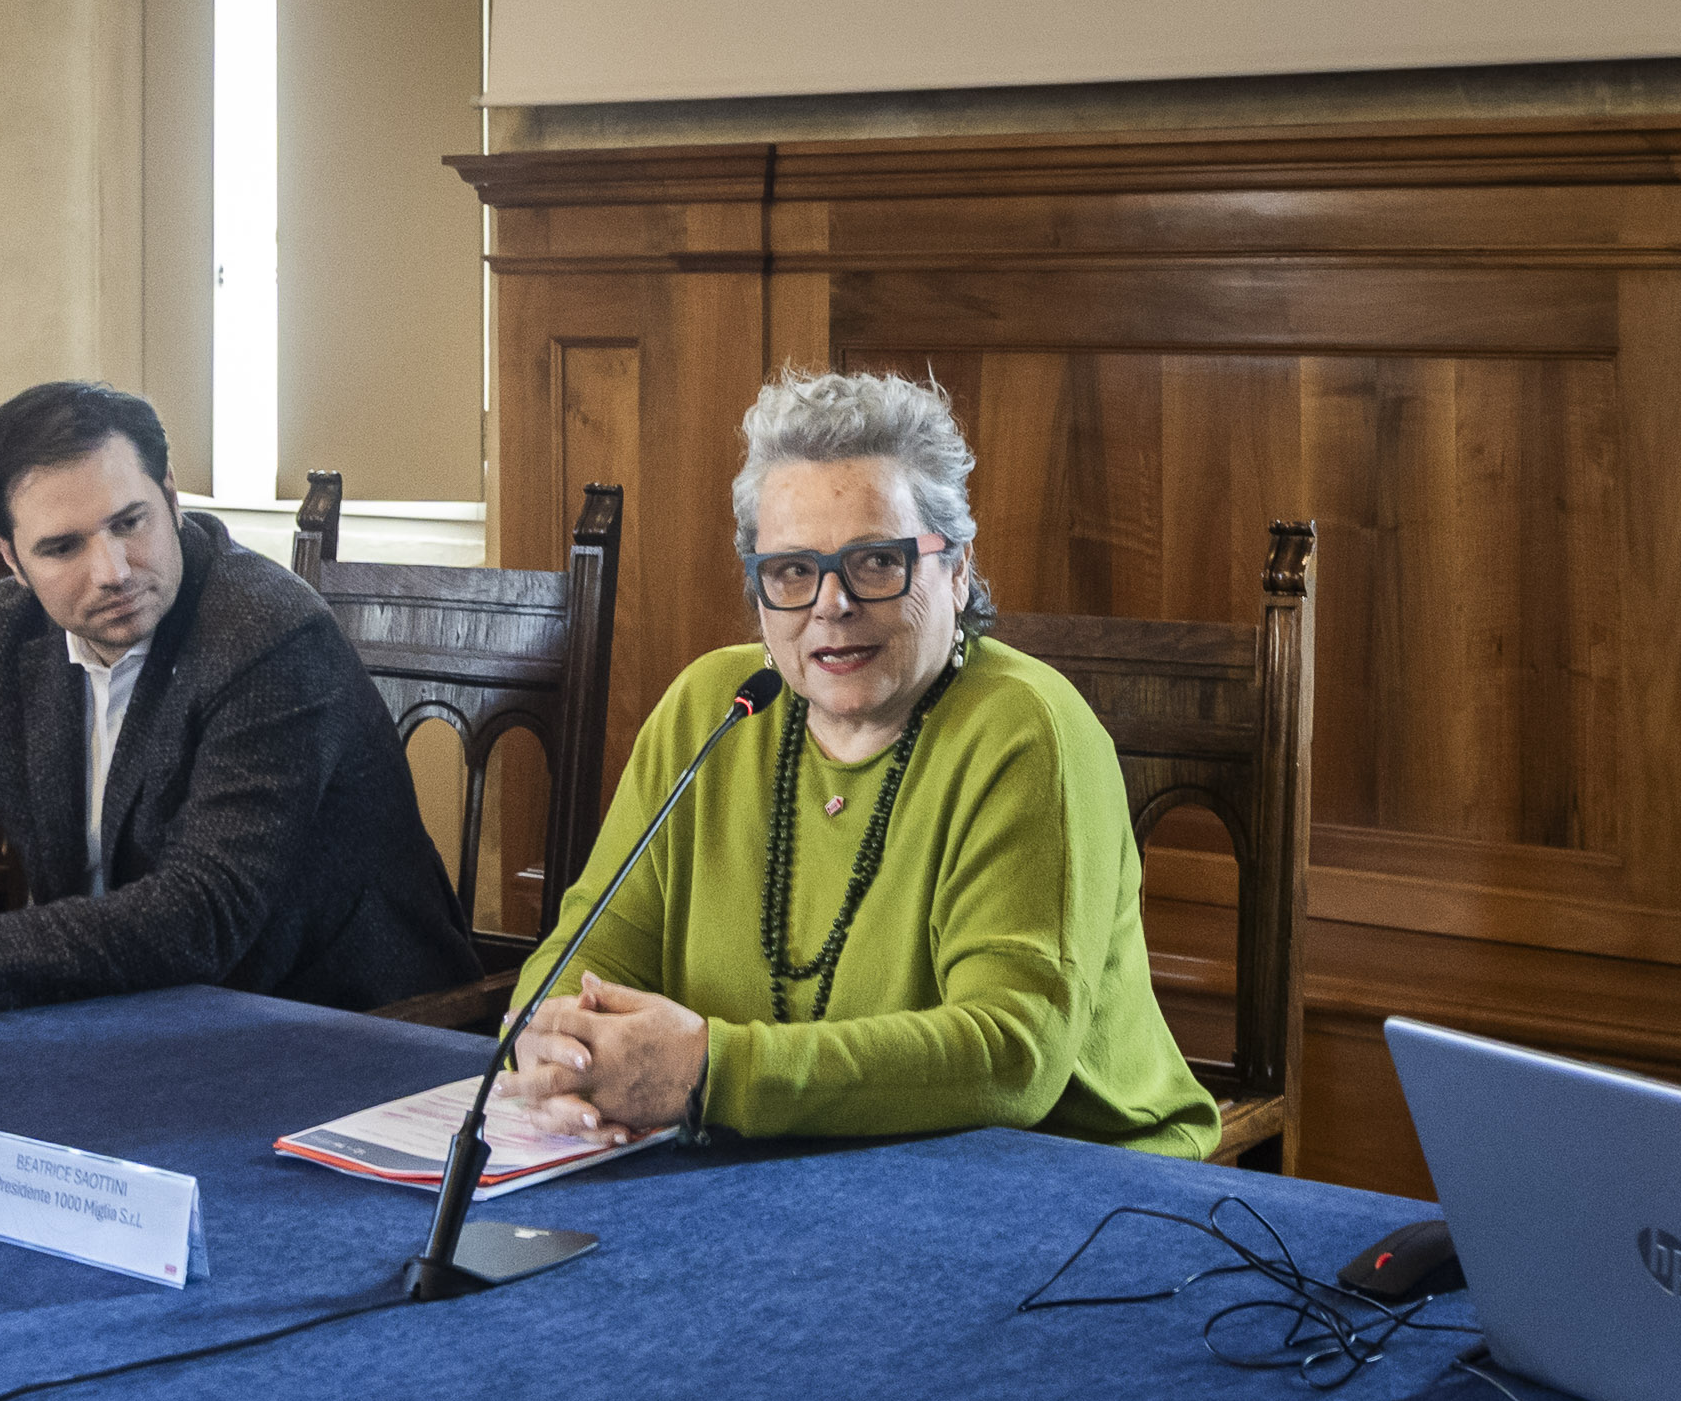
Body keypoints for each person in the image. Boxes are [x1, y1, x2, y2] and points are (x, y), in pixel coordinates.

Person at [500, 369, 1217, 1158]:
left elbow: (1014, 1054)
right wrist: (552, 1041)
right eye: (792, 571)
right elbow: (586, 952)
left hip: (1061, 1182)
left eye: (877, 561)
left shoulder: (1027, 731)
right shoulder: (714, 706)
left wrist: (714, 1071)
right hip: (774, 1166)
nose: (830, 604)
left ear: (958, 567)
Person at [0, 381, 471, 1016]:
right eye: (62, 547)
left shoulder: (269, 632)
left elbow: (202, 914)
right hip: (118, 1016)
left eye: (130, 522)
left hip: (336, 1030)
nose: (113, 570)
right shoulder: (1, 633)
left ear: (168, 494)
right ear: (8, 554)